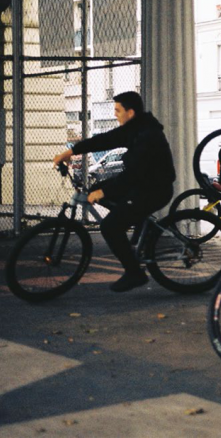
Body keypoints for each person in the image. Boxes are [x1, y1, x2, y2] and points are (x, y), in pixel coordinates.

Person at [52, 91, 176, 292]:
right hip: (141, 185)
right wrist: (71, 151)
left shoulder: (147, 135)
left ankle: (134, 273)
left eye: (118, 110)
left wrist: (104, 192)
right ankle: (139, 221)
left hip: (155, 190)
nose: (115, 114)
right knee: (95, 190)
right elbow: (103, 140)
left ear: (131, 112)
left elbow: (133, 174)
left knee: (110, 226)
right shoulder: (133, 128)